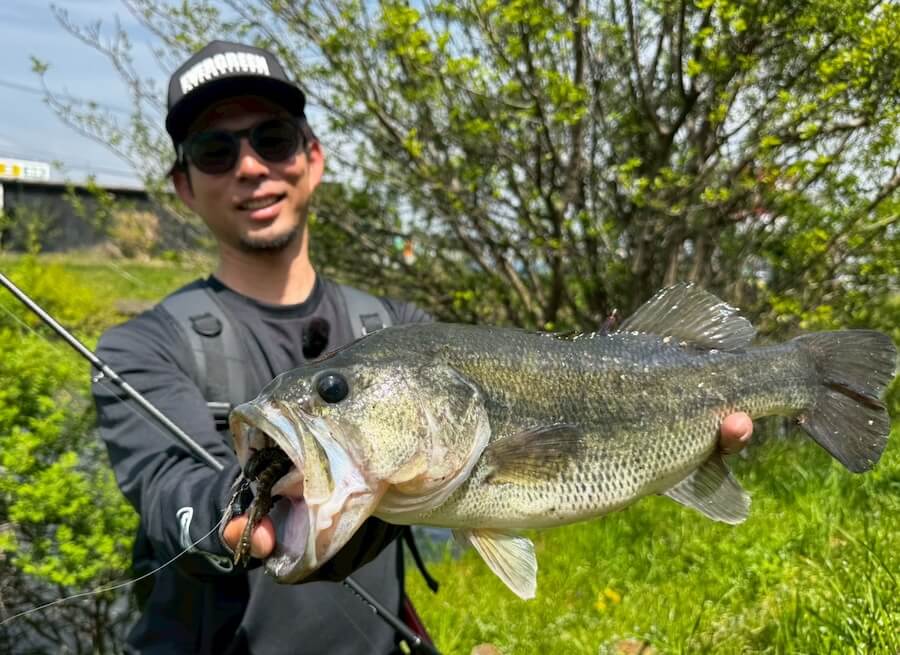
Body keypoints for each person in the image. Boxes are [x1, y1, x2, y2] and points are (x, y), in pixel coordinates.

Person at [92, 40, 754, 655]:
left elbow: (532, 456)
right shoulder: (139, 347)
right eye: (215, 151)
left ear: (312, 158)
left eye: (273, 139)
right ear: (182, 184)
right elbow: (163, 486)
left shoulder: (397, 325)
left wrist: (666, 440)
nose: (251, 168)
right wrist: (227, 511)